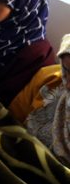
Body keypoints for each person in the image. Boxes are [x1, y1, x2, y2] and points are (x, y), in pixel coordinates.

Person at [7, 34, 70, 166]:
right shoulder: (48, 79)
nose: (67, 84)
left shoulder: (36, 51)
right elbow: (10, 120)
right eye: (66, 70)